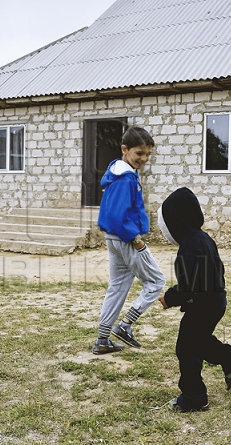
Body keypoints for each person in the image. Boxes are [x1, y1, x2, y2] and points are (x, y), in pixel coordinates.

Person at [157, 187, 231, 412]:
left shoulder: (188, 245)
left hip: (202, 304)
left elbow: (189, 285)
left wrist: (170, 297)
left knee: (186, 349)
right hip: (216, 299)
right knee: (198, 341)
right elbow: (219, 269)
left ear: (176, 221)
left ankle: (194, 397)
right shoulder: (204, 239)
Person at [93, 127, 166, 354]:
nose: (143, 159)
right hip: (126, 239)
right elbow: (117, 214)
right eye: (139, 154)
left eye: (148, 155)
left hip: (113, 238)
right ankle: (125, 326)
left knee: (117, 287)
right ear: (125, 150)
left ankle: (102, 340)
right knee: (156, 281)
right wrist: (136, 240)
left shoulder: (120, 173)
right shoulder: (125, 178)